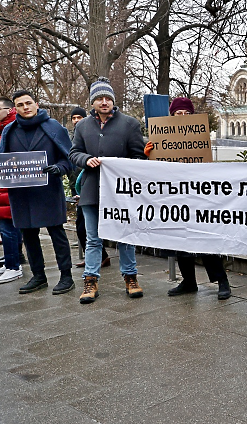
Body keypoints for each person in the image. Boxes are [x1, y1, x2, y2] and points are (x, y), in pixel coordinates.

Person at [144, 97, 232, 300]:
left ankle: (222, 281)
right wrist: (149, 155)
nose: (182, 117)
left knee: (205, 239)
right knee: (181, 240)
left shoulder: (198, 136)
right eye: (178, 114)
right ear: (171, 116)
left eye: (186, 114)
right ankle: (189, 281)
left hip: (198, 195)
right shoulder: (160, 138)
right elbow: (155, 172)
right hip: (175, 196)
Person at [70, 77, 146, 304]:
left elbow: (138, 156)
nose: (104, 102)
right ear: (92, 102)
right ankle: (90, 281)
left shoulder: (129, 124)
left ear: (113, 100)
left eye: (108, 98)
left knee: (125, 237)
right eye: (99, 98)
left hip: (120, 193)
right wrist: (86, 159)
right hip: (92, 190)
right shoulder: (82, 126)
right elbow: (74, 153)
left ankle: (131, 278)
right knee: (93, 238)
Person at [0, 90, 74, 294]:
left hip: (48, 191)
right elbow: (3, 160)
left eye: (29, 103)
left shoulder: (54, 127)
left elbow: (69, 157)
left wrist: (59, 169)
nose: (26, 107)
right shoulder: (9, 130)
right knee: (29, 235)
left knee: (57, 234)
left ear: (36, 104)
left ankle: (66, 276)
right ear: (16, 108)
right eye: (21, 104)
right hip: (21, 194)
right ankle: (38, 276)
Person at [69, 107, 109, 269]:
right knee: (84, 229)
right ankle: (94, 264)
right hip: (83, 189)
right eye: (74, 117)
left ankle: (100, 258)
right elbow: (73, 157)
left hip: (99, 188)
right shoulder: (76, 137)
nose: (76, 120)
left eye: (79, 117)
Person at [0, 97, 24, 285]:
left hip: (7, 186)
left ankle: (14, 266)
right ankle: (10, 262)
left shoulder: (12, 128)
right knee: (4, 228)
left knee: (8, 229)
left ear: (9, 110)